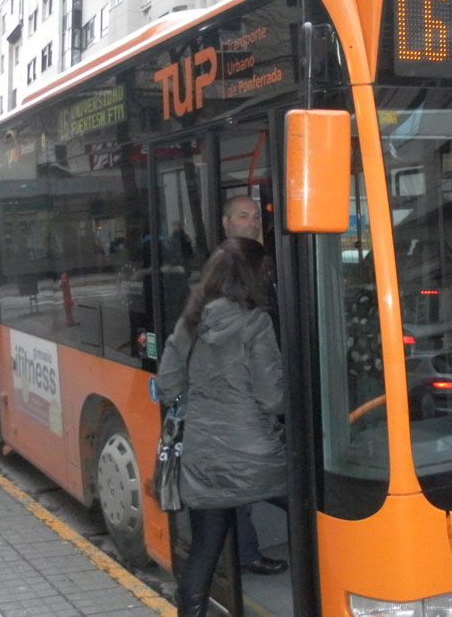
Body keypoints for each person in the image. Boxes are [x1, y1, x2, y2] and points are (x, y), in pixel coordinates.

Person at [157, 237, 287, 615]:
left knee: (204, 550)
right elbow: (273, 398)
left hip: (203, 459)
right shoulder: (255, 323)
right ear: (252, 277)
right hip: (256, 457)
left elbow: (167, 387)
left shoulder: (187, 325)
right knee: (321, 506)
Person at [221, 194, 288, 576]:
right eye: (242, 216)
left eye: (255, 216)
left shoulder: (264, 260)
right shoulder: (228, 267)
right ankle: (244, 553)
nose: (251, 222)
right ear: (226, 223)